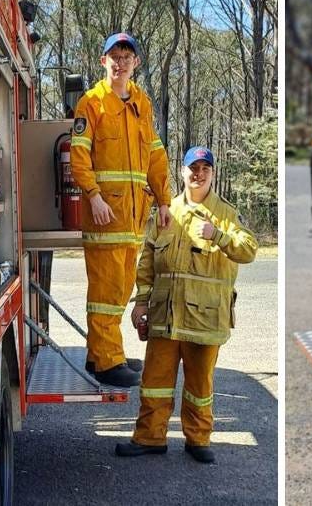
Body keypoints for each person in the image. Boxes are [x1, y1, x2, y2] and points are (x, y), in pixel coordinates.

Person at [115, 146, 257, 464]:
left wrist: (217, 234)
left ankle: (198, 440)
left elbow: (248, 250)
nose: (199, 173)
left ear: (213, 174)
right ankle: (150, 438)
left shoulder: (226, 213)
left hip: (205, 318)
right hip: (166, 315)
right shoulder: (166, 213)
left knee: (199, 385)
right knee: (155, 382)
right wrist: (140, 303)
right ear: (183, 172)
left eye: (206, 168)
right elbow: (147, 261)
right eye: (194, 167)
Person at [70, 32, 171, 388]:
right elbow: (78, 156)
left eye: (127, 56)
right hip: (105, 215)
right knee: (107, 292)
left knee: (123, 288)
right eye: (115, 55)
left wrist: (163, 200)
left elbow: (156, 156)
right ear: (104, 61)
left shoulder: (141, 103)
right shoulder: (92, 103)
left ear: (136, 64)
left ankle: (103, 354)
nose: (121, 61)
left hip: (133, 217)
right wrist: (93, 196)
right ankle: (108, 362)